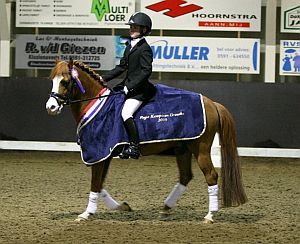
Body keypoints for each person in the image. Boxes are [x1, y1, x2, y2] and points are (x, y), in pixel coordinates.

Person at [100, 12, 156, 159]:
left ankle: (134, 147)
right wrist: (101, 78)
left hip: (139, 90)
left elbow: (146, 71)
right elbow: (121, 67)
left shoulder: (145, 49)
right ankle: (119, 144)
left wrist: (129, 86)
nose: (131, 29)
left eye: (135, 27)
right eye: (131, 26)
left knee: (126, 113)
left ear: (144, 30)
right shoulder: (129, 46)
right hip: (127, 86)